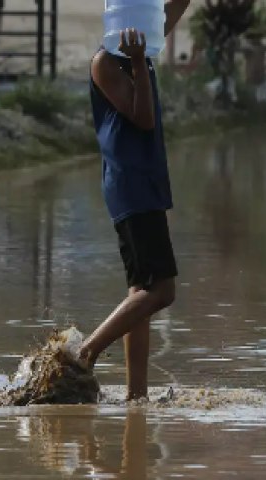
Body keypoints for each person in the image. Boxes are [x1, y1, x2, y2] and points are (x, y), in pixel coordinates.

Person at [76, 0, 191, 401]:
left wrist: (144, 54)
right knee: (162, 291)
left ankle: (136, 396)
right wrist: (140, 62)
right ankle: (86, 353)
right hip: (131, 186)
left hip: (145, 182)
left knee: (140, 290)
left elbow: (171, 11)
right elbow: (143, 117)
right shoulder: (105, 64)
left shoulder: (146, 48)